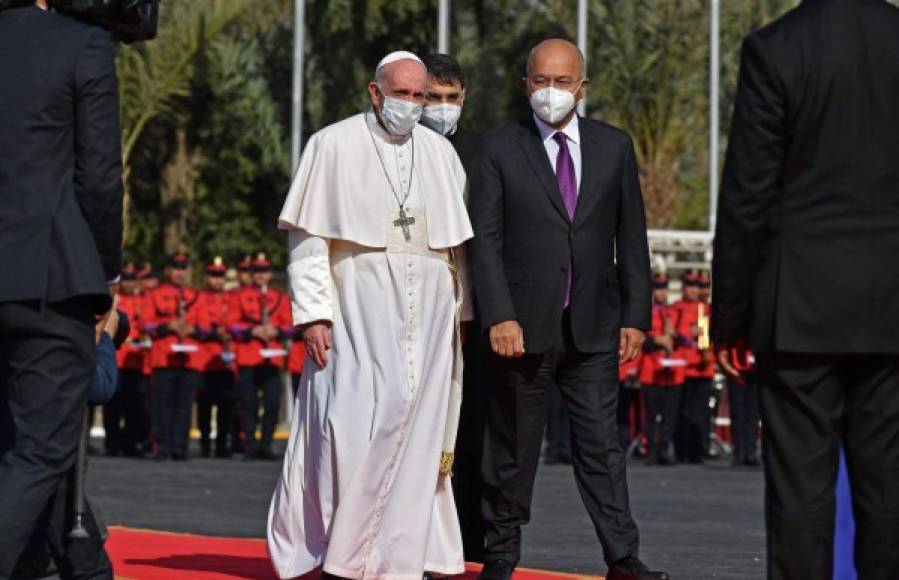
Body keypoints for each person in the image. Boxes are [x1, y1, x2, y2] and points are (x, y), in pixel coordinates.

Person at [267, 50, 474, 580]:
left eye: (420, 96)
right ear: (375, 92)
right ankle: (343, 551)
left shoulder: (441, 154)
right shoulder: (332, 145)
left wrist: (463, 314)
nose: (412, 105)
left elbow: (457, 251)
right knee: (351, 426)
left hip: (428, 314)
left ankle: (399, 558)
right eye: (402, 94)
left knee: (419, 429)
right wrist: (314, 314)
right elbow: (309, 240)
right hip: (357, 305)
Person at [712, 1, 899, 578]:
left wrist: (729, 318)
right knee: (890, 492)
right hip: (891, 301)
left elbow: (749, 193)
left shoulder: (777, 47)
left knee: (800, 495)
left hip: (799, 306)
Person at [468, 38, 667, 580]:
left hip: (594, 329)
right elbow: (483, 241)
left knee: (603, 449)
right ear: (525, 84)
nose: (550, 93)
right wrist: (499, 314)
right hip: (522, 328)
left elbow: (632, 237)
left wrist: (635, 316)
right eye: (540, 81)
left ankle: (623, 557)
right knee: (512, 450)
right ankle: (501, 554)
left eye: (561, 82)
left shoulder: (614, 147)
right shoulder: (497, 148)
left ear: (582, 87)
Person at [0, 0, 123, 573]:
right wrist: (105, 273)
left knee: (24, 451)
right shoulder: (80, 44)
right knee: (41, 451)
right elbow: (98, 176)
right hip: (46, 277)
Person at [422, 51, 488, 562]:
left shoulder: (483, 152)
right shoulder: (396, 150)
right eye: (432, 98)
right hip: (410, 309)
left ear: (463, 99)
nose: (442, 108)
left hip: (471, 313)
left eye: (450, 99)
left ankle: (465, 535)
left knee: (470, 430)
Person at [142, 252, 205, 461]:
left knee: (184, 405)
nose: (180, 272)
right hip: (164, 357)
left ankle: (180, 446)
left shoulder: (197, 296)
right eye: (176, 268)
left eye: (183, 268)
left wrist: (192, 329)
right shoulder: (154, 294)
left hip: (189, 358)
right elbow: (146, 324)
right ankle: (162, 446)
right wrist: (166, 326)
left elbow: (207, 327)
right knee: (162, 405)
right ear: (168, 270)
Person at [228, 253, 291, 461]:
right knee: (248, 404)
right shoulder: (238, 296)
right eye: (257, 272)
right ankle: (251, 445)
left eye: (264, 271)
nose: (261, 276)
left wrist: (277, 331)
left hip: (272, 358)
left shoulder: (279, 297)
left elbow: (291, 327)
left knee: (272, 402)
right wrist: (251, 331)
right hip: (248, 356)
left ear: (270, 274)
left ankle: (266, 443)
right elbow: (231, 324)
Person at [639, 274, 685, 466]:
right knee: (651, 415)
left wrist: (675, 336)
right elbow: (641, 340)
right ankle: (651, 450)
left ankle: (665, 448)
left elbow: (687, 340)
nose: (662, 293)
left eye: (665, 289)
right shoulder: (644, 312)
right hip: (652, 371)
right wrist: (657, 340)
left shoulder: (674, 312)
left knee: (669, 415)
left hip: (672, 374)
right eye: (658, 289)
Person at [104, 263, 149, 457]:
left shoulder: (143, 301)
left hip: (136, 360)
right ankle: (112, 442)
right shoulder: (114, 300)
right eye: (126, 279)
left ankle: (130, 441)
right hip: (117, 359)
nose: (129, 283)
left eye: (132, 279)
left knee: (134, 405)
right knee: (113, 404)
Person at [670, 271, 714, 463]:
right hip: (684, 369)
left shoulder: (708, 309)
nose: (694, 290)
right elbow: (670, 333)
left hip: (704, 368)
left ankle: (700, 451)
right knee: (683, 412)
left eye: (697, 286)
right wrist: (690, 331)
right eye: (690, 285)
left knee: (702, 413)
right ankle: (683, 451)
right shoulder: (676, 308)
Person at [195, 257, 237, 459]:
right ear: (206, 277)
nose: (217, 280)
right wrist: (217, 331)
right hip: (205, 360)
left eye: (221, 276)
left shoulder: (232, 299)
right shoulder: (200, 298)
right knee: (204, 405)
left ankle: (222, 443)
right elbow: (200, 325)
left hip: (227, 361)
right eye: (213, 275)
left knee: (226, 405)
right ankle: (204, 442)